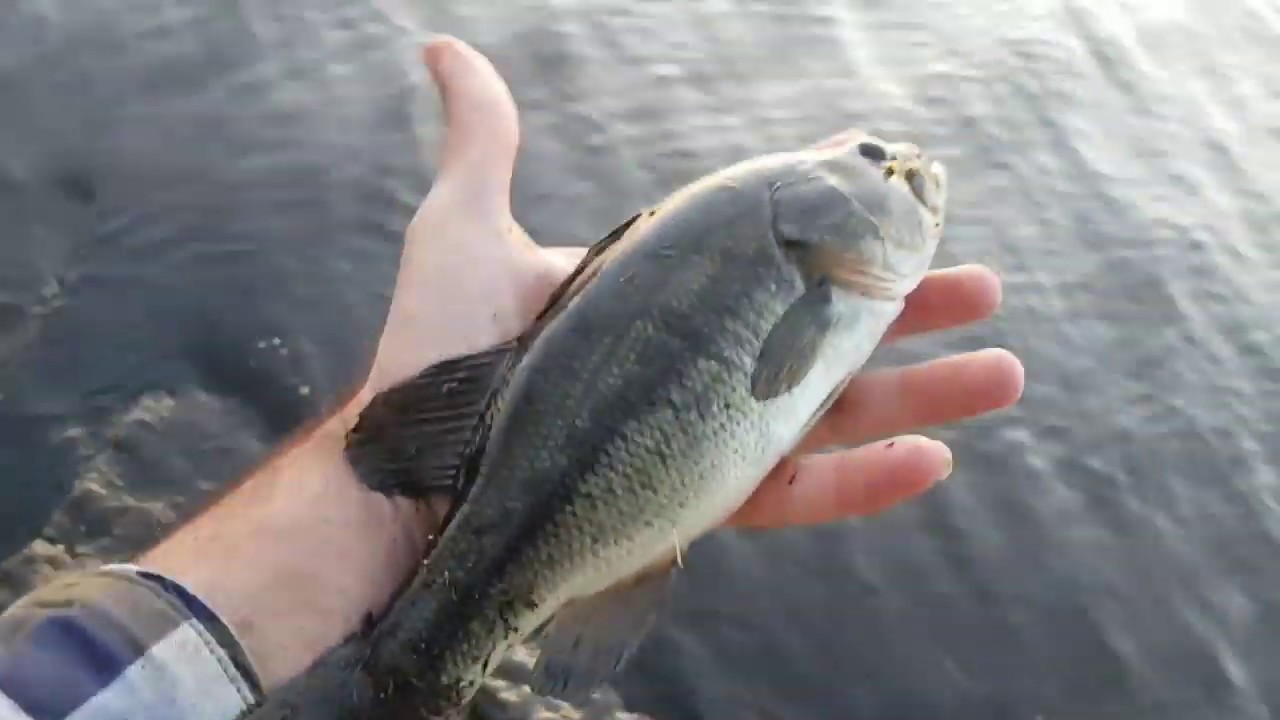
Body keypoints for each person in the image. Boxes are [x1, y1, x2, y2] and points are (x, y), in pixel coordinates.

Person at [0, 36, 1024, 720]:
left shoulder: (781, 233)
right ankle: (414, 675)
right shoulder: (797, 257)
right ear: (818, 237)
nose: (908, 175)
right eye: (893, 169)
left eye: (902, 176)